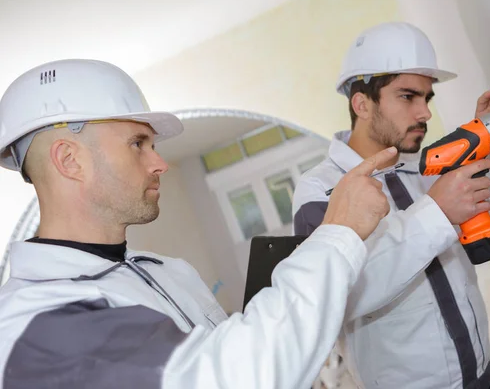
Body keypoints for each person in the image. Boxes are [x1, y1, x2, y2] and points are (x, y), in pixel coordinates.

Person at [0, 58, 406, 389]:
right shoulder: (36, 323)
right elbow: (233, 378)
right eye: (138, 144)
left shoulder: (167, 271)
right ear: (69, 160)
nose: (160, 164)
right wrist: (339, 233)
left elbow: (247, 356)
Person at [292, 22, 490, 389]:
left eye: (427, 98)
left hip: (487, 379)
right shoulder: (321, 189)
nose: (425, 113)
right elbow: (342, 293)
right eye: (408, 97)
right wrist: (436, 212)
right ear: (362, 104)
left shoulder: (427, 169)